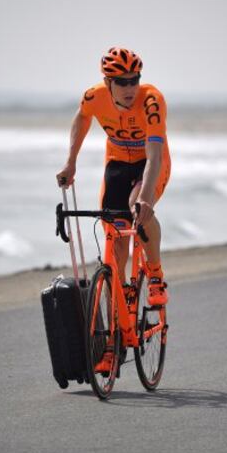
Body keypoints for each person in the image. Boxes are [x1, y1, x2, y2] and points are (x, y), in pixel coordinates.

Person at [56, 47, 171, 306]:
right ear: (108, 82)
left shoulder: (152, 101)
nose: (130, 87)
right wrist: (70, 163)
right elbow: (82, 118)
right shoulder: (93, 96)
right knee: (114, 235)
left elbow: (154, 156)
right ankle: (115, 333)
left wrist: (145, 198)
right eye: (122, 82)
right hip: (117, 161)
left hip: (150, 163)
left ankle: (155, 275)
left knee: (137, 207)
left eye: (135, 79)